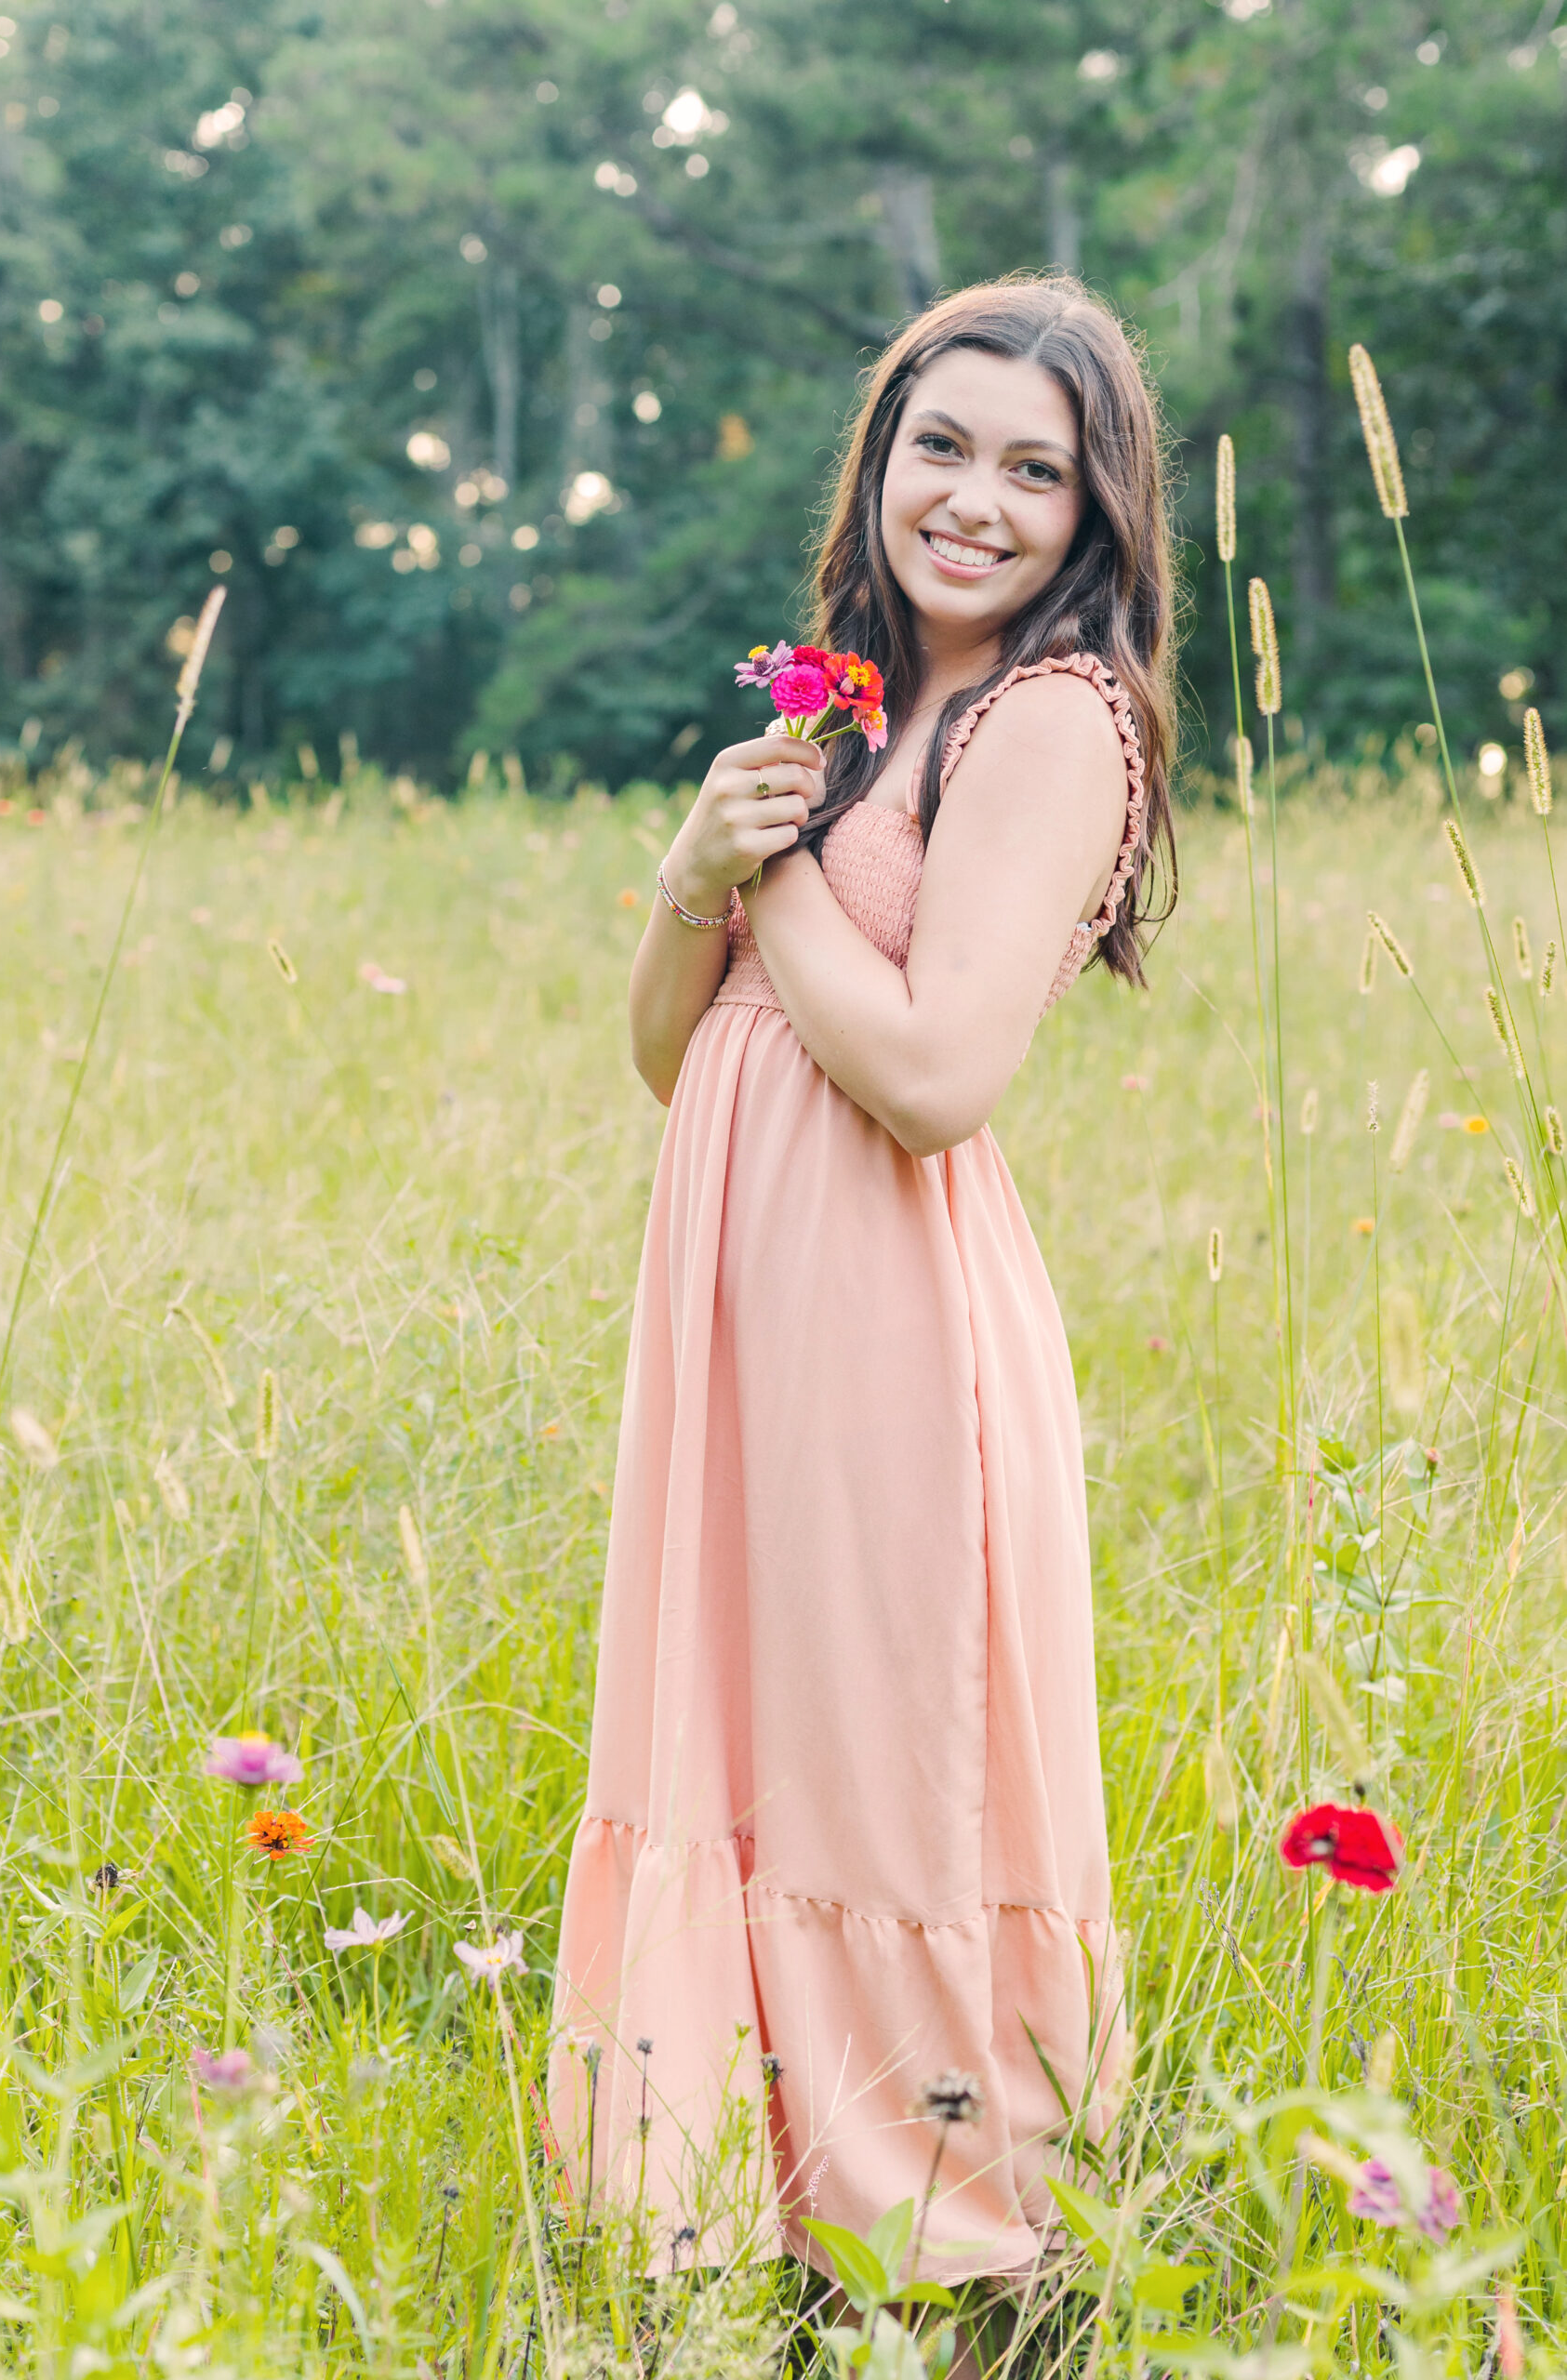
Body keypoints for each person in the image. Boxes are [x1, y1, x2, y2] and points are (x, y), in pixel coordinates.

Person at [550, 273, 1177, 2291]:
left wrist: (788, 870)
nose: (974, 500)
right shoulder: (851, 708)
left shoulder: (1053, 719)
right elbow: (681, 1051)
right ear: (877, 459)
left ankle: (945, 2243)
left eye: (1033, 469)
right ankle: (733, 2208)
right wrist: (691, 868)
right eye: (940, 445)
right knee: (744, 1739)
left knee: (871, 1754)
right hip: (737, 1308)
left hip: (887, 1316)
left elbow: (925, 1072)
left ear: (1094, 515)